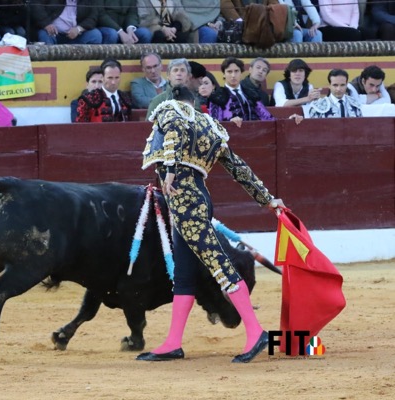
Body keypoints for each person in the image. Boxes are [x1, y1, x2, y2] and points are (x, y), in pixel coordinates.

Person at [136, 85, 285, 363]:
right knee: (184, 274)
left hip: (184, 198)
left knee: (220, 266)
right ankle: (173, 343)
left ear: (174, 100)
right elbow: (237, 166)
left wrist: (170, 170)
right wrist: (266, 199)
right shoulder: (211, 126)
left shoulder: (170, 110)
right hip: (196, 197)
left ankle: (256, 332)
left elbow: (173, 131)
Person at [209, 57, 274, 127]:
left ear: (241, 73)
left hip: (254, 131)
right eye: (229, 72)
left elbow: (267, 117)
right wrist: (229, 122)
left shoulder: (251, 94)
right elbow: (215, 124)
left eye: (236, 71)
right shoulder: (218, 96)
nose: (233, 75)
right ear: (224, 74)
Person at [31, 0, 102, 45]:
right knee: (44, 34)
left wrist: (78, 29)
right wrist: (46, 24)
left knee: (95, 35)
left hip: (75, 36)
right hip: (53, 34)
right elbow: (36, 5)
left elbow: (92, 18)